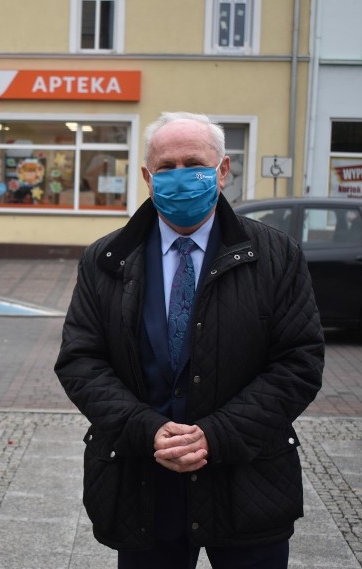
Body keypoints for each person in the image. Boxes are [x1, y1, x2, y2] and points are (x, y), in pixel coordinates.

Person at [55, 111, 324, 569]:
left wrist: (215, 436)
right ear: (147, 177)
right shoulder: (107, 259)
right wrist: (146, 429)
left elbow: (298, 362)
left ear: (222, 171)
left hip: (247, 480)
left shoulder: (276, 255)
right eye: (166, 167)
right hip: (143, 482)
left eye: (194, 163)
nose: (181, 177)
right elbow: (81, 361)